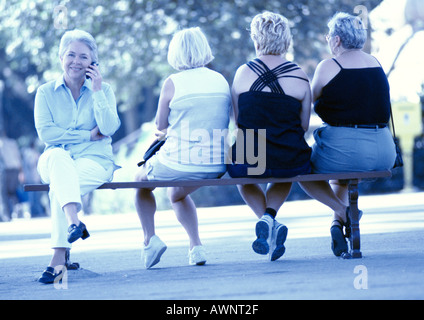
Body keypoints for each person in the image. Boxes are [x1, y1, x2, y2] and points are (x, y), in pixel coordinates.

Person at [299, 12, 396, 257]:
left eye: (329, 36)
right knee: (341, 179)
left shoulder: (328, 66)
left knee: (299, 169)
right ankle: (336, 225)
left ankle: (343, 211)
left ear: (337, 40)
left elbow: (307, 102)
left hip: (349, 150)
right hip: (385, 150)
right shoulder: (376, 62)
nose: (328, 40)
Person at [135, 27, 231, 269]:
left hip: (178, 162)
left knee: (140, 182)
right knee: (176, 194)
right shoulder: (220, 80)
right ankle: (195, 246)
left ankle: (149, 240)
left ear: (175, 53)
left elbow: (160, 125)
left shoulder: (172, 83)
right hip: (216, 163)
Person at [34, 29, 121, 283]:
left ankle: (58, 258)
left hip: (94, 161)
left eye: (83, 57)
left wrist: (96, 91)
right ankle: (74, 222)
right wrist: (85, 135)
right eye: (70, 55)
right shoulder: (45, 93)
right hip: (54, 158)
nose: (76, 61)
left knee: (59, 189)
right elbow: (47, 134)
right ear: (61, 57)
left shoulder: (103, 89)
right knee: (59, 159)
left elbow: (108, 129)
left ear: (93, 63)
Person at [228, 12, 312, 261]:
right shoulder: (299, 75)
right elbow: (304, 125)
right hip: (289, 154)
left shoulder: (242, 73)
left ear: (256, 40)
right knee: (284, 171)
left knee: (244, 177)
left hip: (249, 155)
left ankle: (268, 221)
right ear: (286, 41)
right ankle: (269, 217)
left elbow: (238, 120)